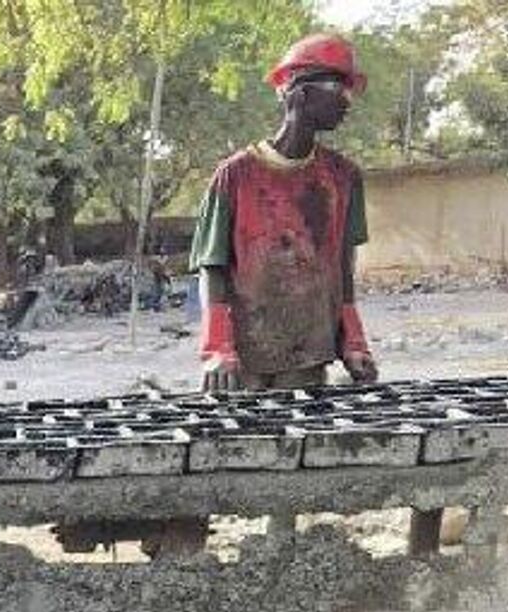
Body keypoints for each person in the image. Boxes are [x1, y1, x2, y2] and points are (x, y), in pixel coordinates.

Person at [180, 35, 423, 555]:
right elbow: (213, 266)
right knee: (225, 456)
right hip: (244, 352)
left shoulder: (343, 178)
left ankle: (278, 555)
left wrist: (353, 342)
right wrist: (218, 347)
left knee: (293, 462)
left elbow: (343, 268)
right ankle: (191, 559)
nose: (346, 102)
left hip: (307, 349)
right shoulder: (235, 175)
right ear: (297, 93)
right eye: (337, 88)